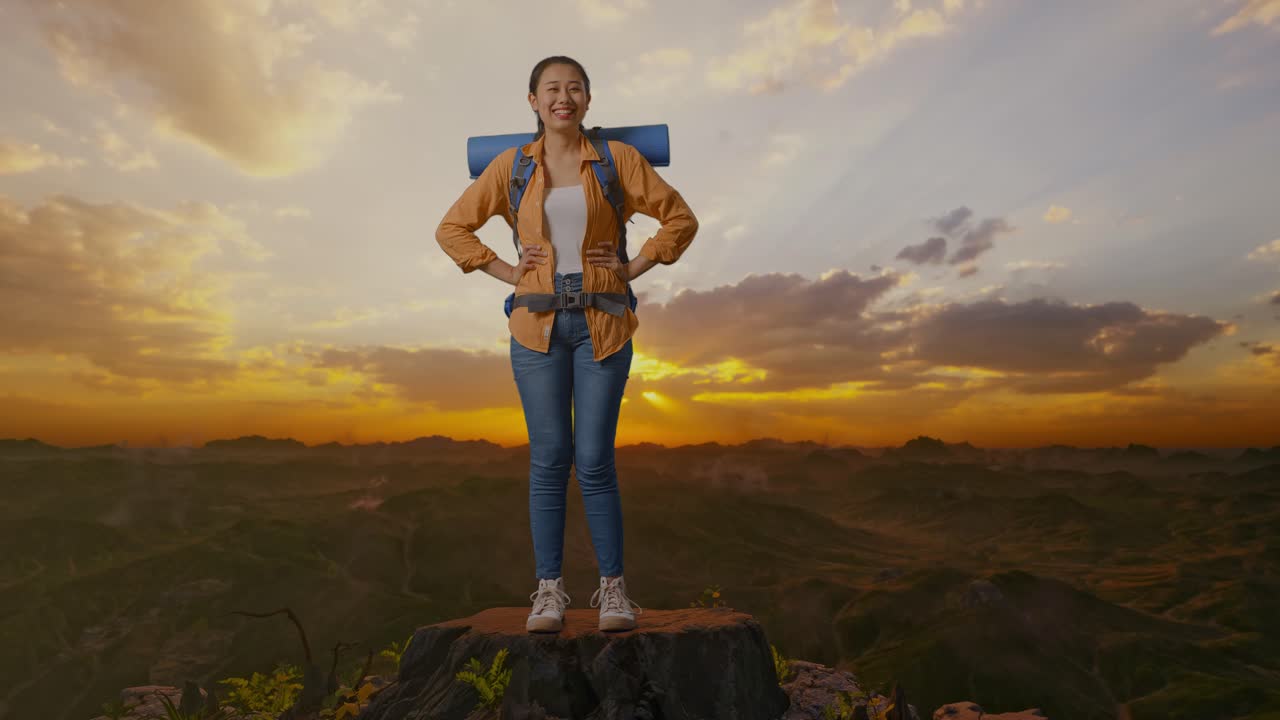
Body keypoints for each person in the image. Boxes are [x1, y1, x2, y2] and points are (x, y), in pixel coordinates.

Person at [435, 55, 698, 633]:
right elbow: (451, 229)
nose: (564, 97)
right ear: (533, 101)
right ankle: (549, 592)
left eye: (575, 88)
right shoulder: (512, 167)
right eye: (552, 88)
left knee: (596, 461)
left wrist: (633, 265)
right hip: (535, 328)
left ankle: (612, 592)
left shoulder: (617, 160)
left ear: (586, 100)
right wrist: (507, 270)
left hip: (603, 324)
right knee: (550, 460)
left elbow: (679, 218)